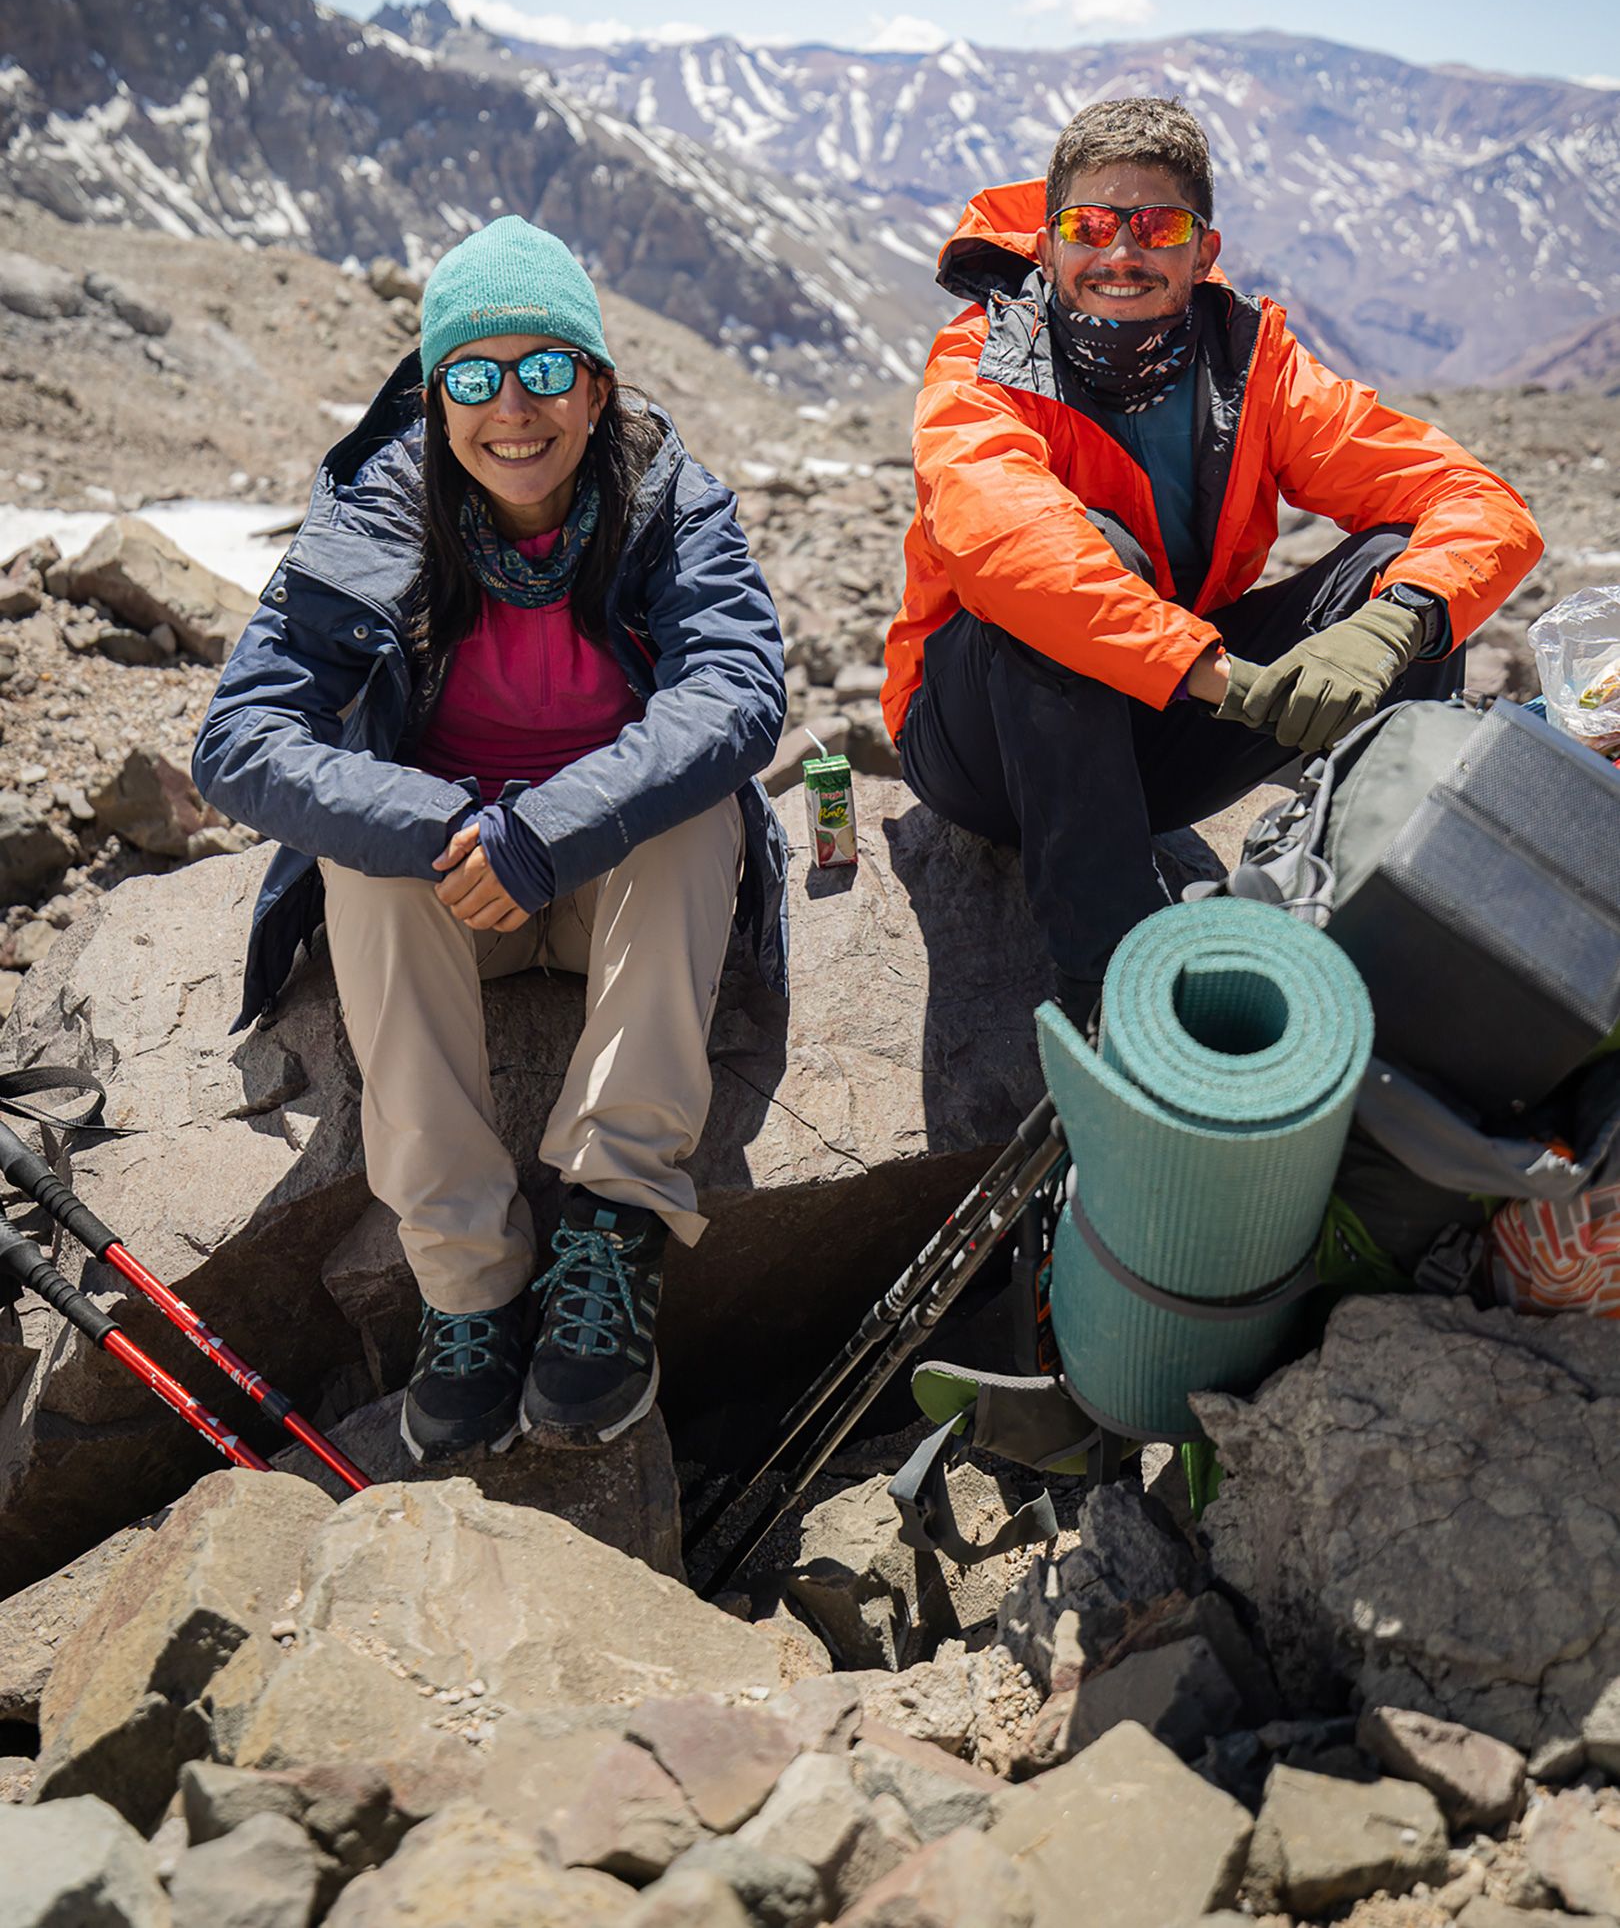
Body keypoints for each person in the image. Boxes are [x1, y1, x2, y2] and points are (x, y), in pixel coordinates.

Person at [194, 216, 787, 1464]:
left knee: (696, 809)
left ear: (597, 386)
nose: (509, 408)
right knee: (366, 842)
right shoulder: (375, 514)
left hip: (604, 888)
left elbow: (736, 693)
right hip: (452, 897)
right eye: (472, 375)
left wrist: (551, 827)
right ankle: (467, 1284)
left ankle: (612, 1222)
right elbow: (241, 737)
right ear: (432, 394)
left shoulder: (670, 497)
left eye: (542, 370)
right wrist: (450, 820)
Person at [882, 95, 1543, 1013]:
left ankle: (1376, 917)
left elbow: (1476, 500)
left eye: (1156, 225)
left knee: (1396, 562)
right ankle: (1111, 993)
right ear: (1046, 243)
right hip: (981, 743)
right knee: (1083, 559)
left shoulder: (1252, 366)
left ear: (1203, 251)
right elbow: (1012, 549)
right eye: (1088, 225)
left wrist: (1396, 623)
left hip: (1150, 726)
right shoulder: (987, 363)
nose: (1121, 253)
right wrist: (1212, 674)